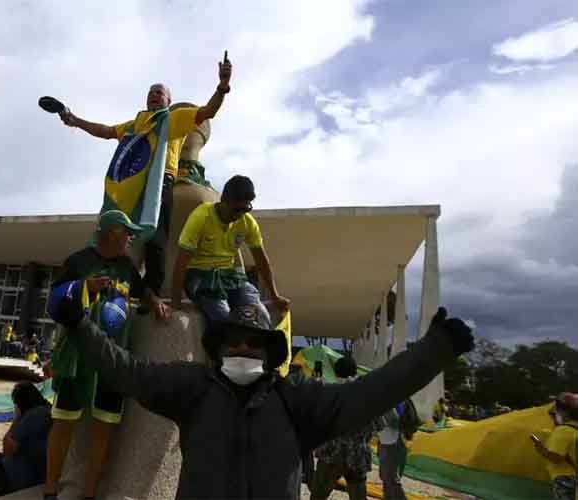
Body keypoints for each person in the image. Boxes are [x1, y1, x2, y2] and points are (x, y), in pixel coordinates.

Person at [50, 285, 473, 499]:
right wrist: (79, 326)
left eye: (253, 342)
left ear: (270, 353)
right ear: (217, 349)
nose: (242, 348)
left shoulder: (297, 401)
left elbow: (371, 394)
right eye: (233, 341)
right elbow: (129, 372)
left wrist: (435, 351)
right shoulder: (192, 388)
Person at [58, 52, 233, 295]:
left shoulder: (173, 119)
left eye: (159, 93)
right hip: (130, 186)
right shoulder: (135, 125)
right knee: (120, 235)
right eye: (151, 92)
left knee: (155, 238)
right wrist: (76, 121)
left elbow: (208, 112)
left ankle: (150, 291)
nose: (153, 95)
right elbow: (107, 131)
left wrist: (223, 86)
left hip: (159, 184)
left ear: (168, 101)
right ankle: (111, 281)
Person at [44, 210, 170, 500]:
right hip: (78, 357)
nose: (130, 238)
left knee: (105, 429)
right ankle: (50, 490)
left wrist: (153, 301)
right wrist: (84, 287)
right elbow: (53, 301)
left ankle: (89, 494)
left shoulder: (126, 266)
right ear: (113, 232)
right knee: (63, 423)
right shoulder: (77, 261)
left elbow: (141, 290)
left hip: (113, 360)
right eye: (128, 233)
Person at [172, 175, 289, 326]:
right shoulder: (201, 217)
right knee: (226, 321)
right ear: (224, 200)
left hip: (229, 276)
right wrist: (175, 302)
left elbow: (261, 260)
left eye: (246, 209)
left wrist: (275, 296)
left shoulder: (247, 222)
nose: (241, 214)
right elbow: (181, 261)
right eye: (237, 209)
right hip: (200, 277)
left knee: (259, 315)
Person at [310, 357, 383, 500]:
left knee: (318, 496)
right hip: (357, 455)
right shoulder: (369, 396)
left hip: (331, 453)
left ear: (336, 372)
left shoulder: (331, 392)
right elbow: (380, 425)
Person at [533, 393, 578, 500]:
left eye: (554, 413)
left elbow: (556, 457)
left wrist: (541, 449)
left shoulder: (563, 430)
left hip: (565, 476)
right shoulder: (575, 429)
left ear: (563, 412)